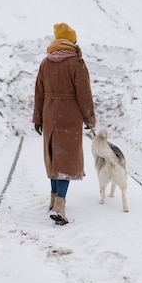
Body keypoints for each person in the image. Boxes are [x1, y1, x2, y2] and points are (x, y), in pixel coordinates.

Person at [32, 22, 96, 225]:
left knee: (54, 157)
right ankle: (60, 205)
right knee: (65, 161)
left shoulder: (45, 62)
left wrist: (38, 117)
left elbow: (39, 93)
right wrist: (89, 119)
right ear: (71, 41)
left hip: (50, 113)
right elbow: (84, 94)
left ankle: (53, 199)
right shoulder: (77, 63)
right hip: (70, 115)